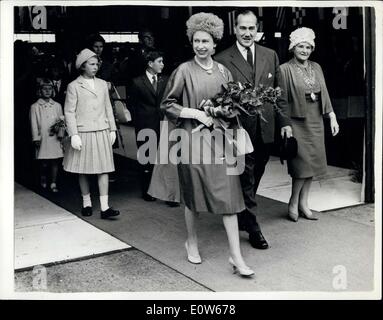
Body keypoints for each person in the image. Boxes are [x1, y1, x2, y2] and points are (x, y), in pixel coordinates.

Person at [149, 12, 254, 277]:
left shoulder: (223, 70)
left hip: (220, 142)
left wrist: (222, 112)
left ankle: (236, 256)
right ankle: (191, 241)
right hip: (191, 140)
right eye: (196, 40)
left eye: (206, 40)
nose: (201, 45)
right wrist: (197, 113)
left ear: (215, 42)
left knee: (230, 196)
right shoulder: (183, 70)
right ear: (192, 42)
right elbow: (167, 104)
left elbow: (233, 106)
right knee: (193, 196)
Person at [215, 10, 292, 249]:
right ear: (235, 29)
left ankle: (242, 210)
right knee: (246, 175)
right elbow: (219, 97)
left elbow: (279, 94)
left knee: (257, 170)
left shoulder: (270, 55)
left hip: (265, 128)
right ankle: (252, 225)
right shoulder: (222, 59)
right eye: (243, 28)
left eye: (251, 28)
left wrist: (285, 123)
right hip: (238, 129)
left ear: (256, 29)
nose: (247, 33)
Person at [279, 27, 339, 222]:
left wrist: (332, 116)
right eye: (300, 46)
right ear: (293, 47)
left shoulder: (317, 67)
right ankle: (293, 201)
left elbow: (325, 93)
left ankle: (304, 203)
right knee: (301, 165)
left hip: (315, 120)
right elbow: (281, 100)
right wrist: (285, 124)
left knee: (311, 164)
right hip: (296, 122)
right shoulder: (284, 69)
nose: (304, 50)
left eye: (308, 47)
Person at [63, 48, 120, 219]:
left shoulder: (103, 84)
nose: (96, 67)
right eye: (92, 64)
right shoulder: (73, 86)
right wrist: (73, 134)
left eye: (97, 64)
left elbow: (108, 107)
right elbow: (69, 112)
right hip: (84, 132)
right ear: (82, 66)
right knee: (84, 170)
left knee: (104, 169)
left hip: (102, 130)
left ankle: (105, 207)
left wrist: (112, 129)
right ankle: (86, 202)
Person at [128, 49, 171, 202]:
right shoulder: (137, 82)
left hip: (163, 123)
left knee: (166, 158)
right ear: (150, 63)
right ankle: (147, 190)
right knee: (147, 158)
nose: (163, 65)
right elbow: (132, 105)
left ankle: (168, 193)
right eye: (160, 61)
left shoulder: (165, 80)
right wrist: (139, 122)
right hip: (145, 124)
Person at [30, 79, 64, 192]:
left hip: (55, 138)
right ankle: (43, 178)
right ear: (40, 91)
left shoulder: (57, 105)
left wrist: (60, 131)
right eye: (45, 89)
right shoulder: (35, 106)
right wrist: (36, 138)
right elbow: (33, 124)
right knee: (44, 162)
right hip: (42, 137)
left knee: (55, 161)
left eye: (50, 89)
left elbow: (62, 121)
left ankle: (53, 183)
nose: (47, 91)